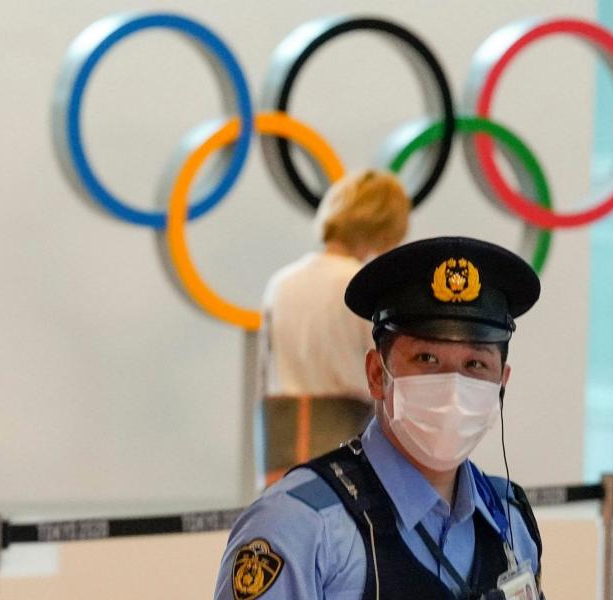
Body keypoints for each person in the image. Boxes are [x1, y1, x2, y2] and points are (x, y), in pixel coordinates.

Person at [218, 236, 545, 600]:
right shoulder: (300, 526)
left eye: (475, 364)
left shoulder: (509, 520)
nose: (453, 386)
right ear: (377, 374)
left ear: (501, 383)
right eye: (426, 360)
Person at [259, 170, 411, 482]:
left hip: (283, 444)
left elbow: (266, 371)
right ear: (384, 227)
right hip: (347, 439)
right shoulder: (362, 286)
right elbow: (385, 372)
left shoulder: (281, 283)